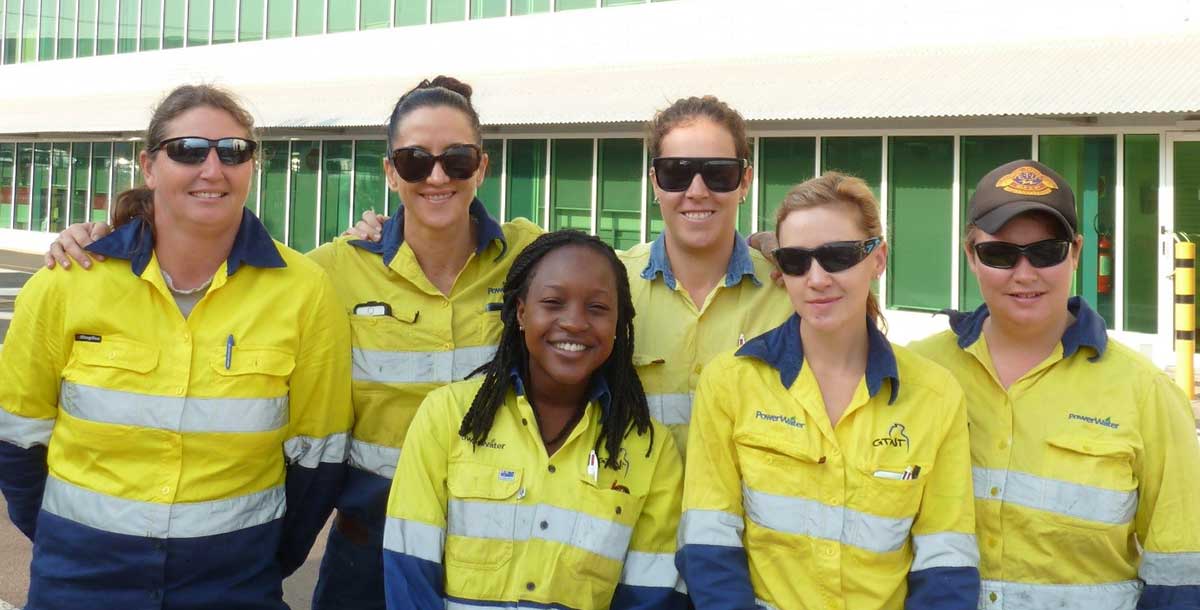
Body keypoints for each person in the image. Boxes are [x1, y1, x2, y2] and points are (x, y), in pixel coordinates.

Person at [40, 76, 543, 610]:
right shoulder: (331, 271)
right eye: (416, 161)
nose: (438, 176)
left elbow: (607, 286)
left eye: (458, 160)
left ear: (482, 166)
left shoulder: (535, 259)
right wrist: (102, 235)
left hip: (509, 543)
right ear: (391, 172)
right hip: (370, 548)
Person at [0, 84, 352, 609]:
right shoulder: (66, 284)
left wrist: (257, 559)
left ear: (252, 166)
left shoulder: (304, 291)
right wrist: (66, 539)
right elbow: (16, 436)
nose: (213, 169)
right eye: (189, 150)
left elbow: (318, 457)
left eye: (234, 152)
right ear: (148, 165)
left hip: (234, 586)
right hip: (80, 583)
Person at [348, 94, 794, 457]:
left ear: (746, 180)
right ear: (655, 181)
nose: (697, 190)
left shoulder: (791, 294)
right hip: (629, 536)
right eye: (677, 173)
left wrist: (791, 252)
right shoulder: (608, 287)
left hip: (746, 551)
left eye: (718, 173)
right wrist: (393, 229)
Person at [678, 172, 980, 610]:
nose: (817, 279)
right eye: (797, 261)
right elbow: (708, 543)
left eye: (837, 256)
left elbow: (946, 562)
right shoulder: (730, 383)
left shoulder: (936, 395)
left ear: (878, 259)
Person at [909, 160, 1200, 610]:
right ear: (970, 255)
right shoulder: (918, 374)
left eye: (1046, 252)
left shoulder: (1145, 393)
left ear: (1076, 252)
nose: (1025, 274)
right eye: (1000, 255)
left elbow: (1182, 575)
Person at [383, 230, 686, 610]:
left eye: (597, 308)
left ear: (618, 322)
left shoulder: (649, 449)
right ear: (522, 312)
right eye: (553, 302)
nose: (574, 322)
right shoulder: (447, 416)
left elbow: (650, 595)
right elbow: (410, 571)